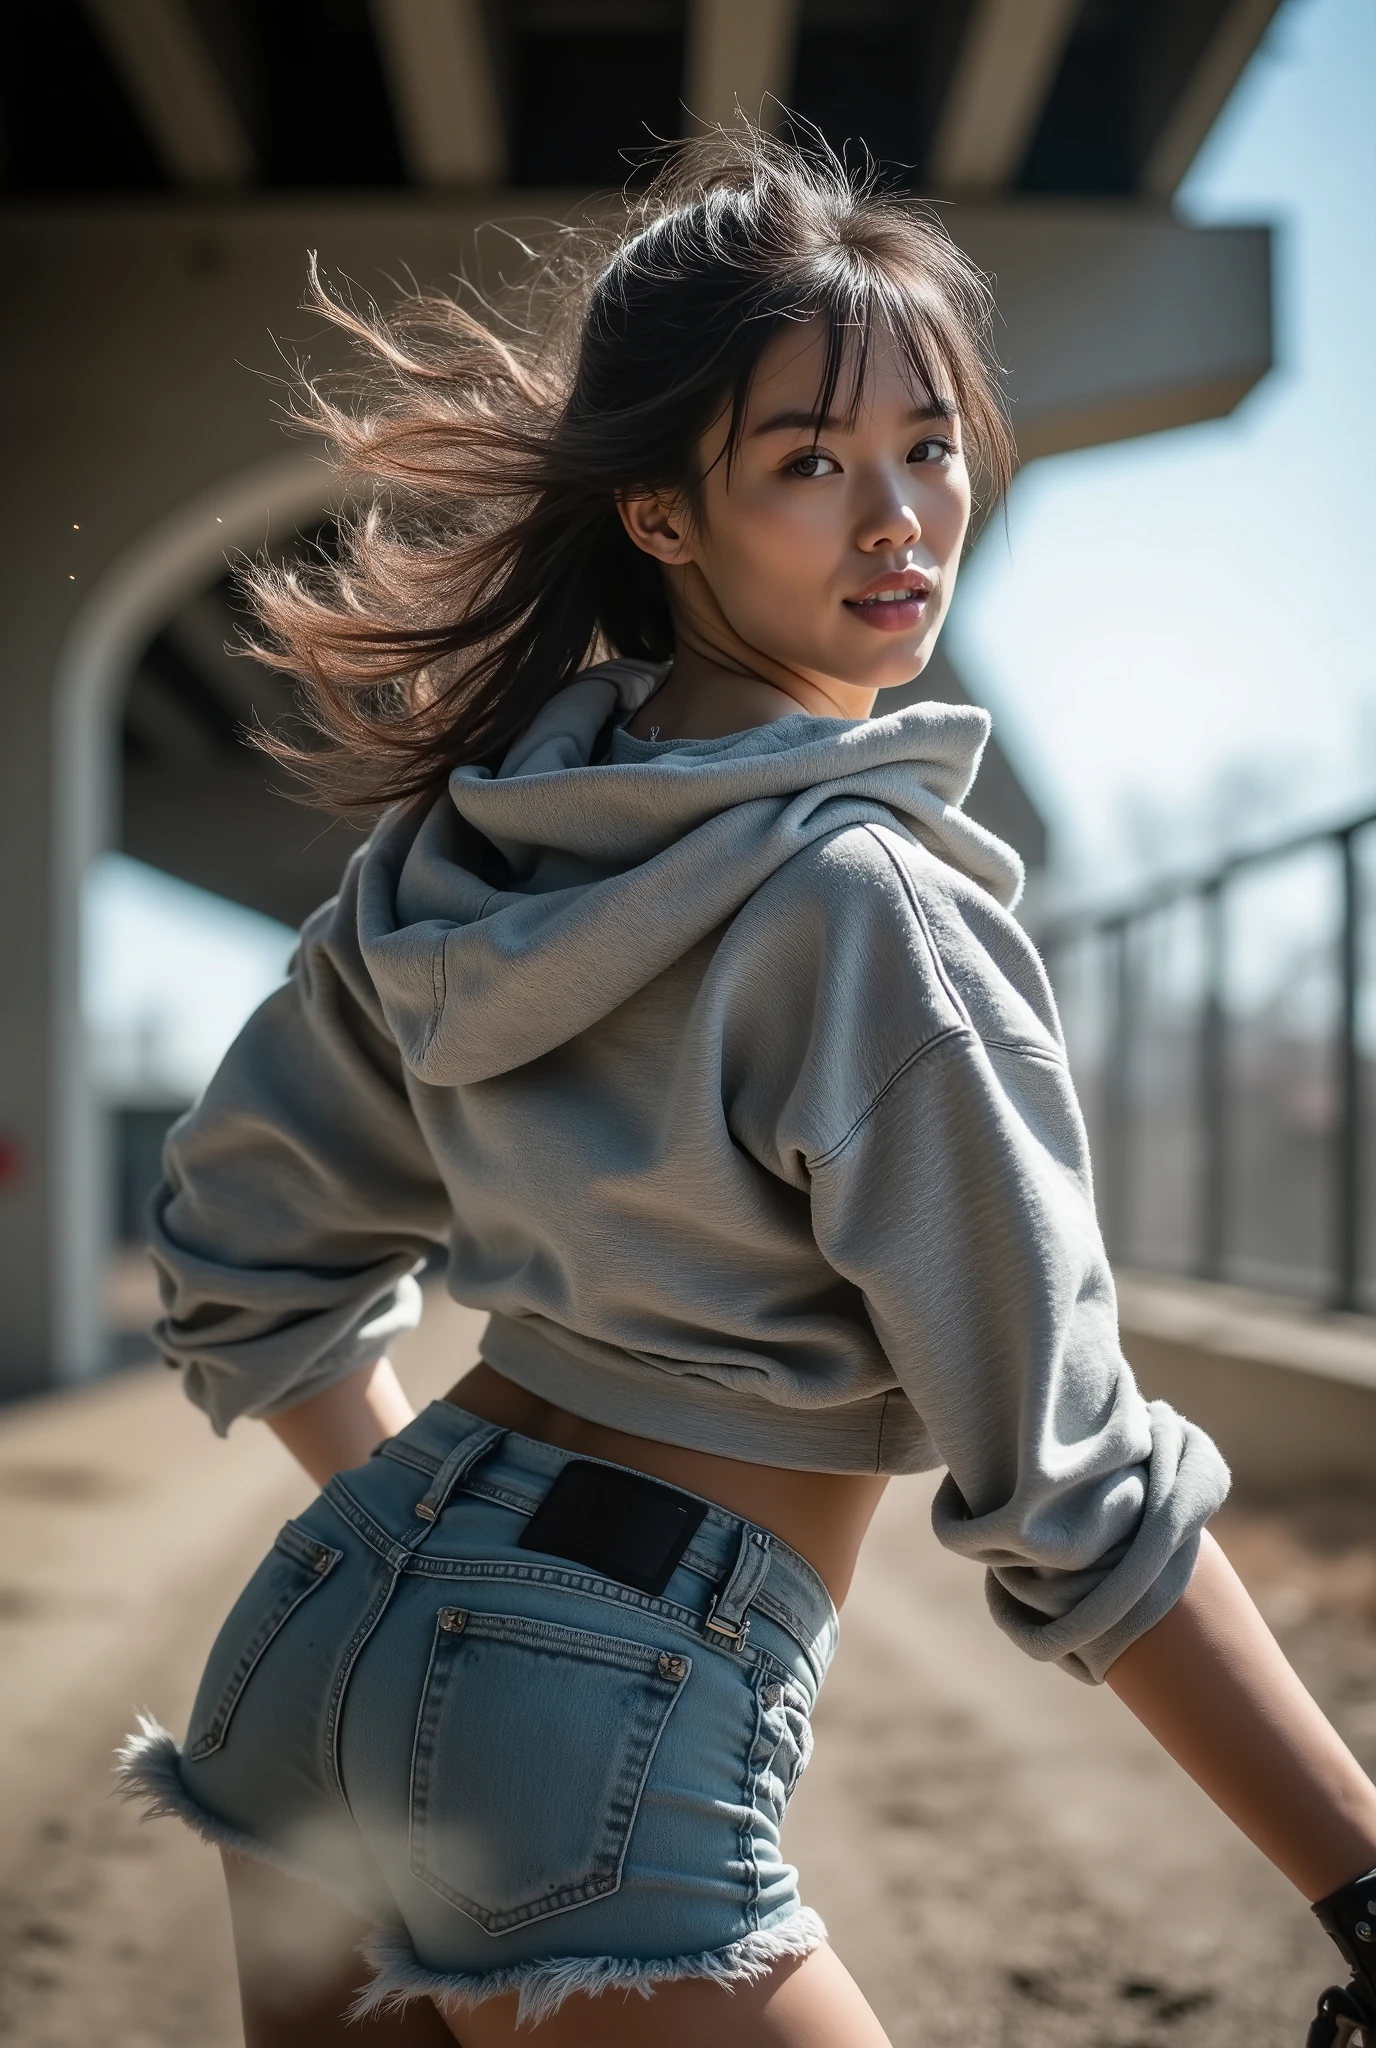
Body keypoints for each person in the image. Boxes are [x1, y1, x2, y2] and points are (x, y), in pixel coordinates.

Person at [118, 129, 1376, 2047]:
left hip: (313, 1639)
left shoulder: (463, 863)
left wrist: (427, 1563)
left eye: (929, 448)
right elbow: (1076, 1495)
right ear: (659, 513)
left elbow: (237, 1254)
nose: (900, 521)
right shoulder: (872, 915)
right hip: (588, 1700)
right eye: (809, 461)